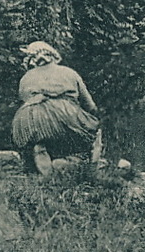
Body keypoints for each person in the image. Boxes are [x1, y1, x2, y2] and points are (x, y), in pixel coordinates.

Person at [11, 41, 103, 175]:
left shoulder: (26, 78)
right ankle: (86, 165)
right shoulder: (69, 73)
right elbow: (89, 104)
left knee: (37, 135)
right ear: (52, 55)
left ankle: (41, 155)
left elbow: (26, 100)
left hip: (29, 117)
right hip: (64, 113)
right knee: (92, 131)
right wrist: (95, 119)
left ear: (31, 60)